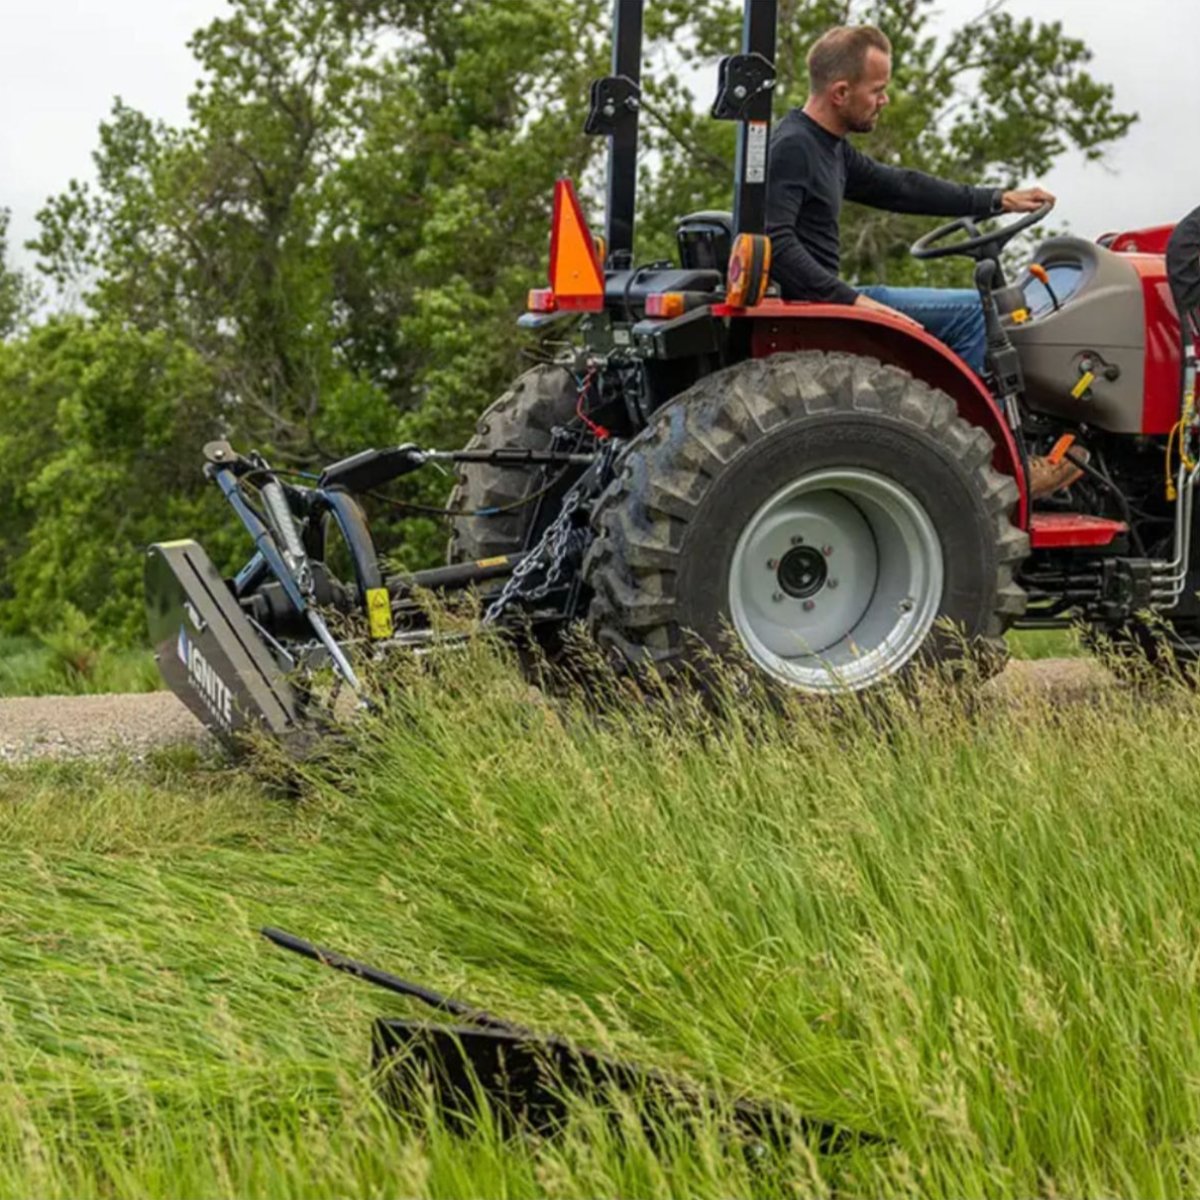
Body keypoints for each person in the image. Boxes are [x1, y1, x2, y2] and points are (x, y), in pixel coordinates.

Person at [766, 24, 1082, 497]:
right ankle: (997, 462)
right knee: (980, 311)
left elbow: (901, 186)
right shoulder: (794, 146)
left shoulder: (828, 147)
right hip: (820, 304)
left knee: (967, 308)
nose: (884, 100)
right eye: (878, 90)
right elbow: (776, 241)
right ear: (840, 92)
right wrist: (852, 301)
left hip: (826, 297)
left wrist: (996, 199)